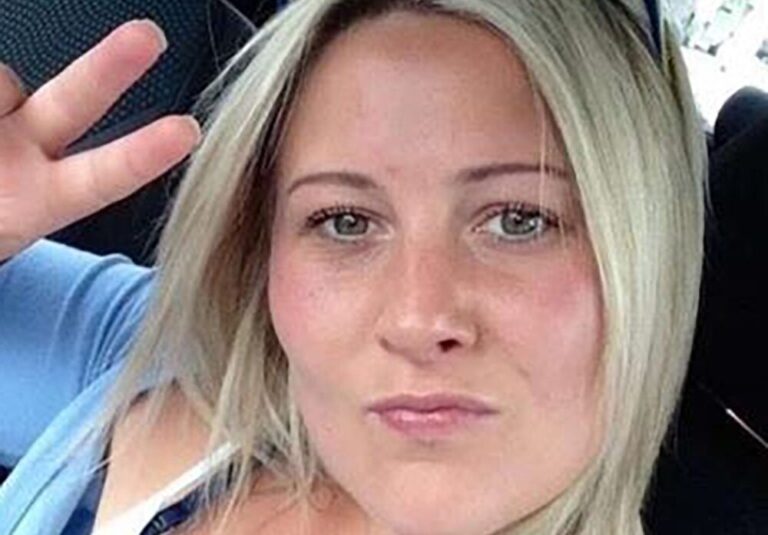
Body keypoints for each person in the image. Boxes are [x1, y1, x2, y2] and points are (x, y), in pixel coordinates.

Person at [0, 1, 708, 534]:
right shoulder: (160, 358)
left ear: (642, 256)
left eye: (519, 221)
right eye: (346, 221)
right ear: (262, 243)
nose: (418, 318)